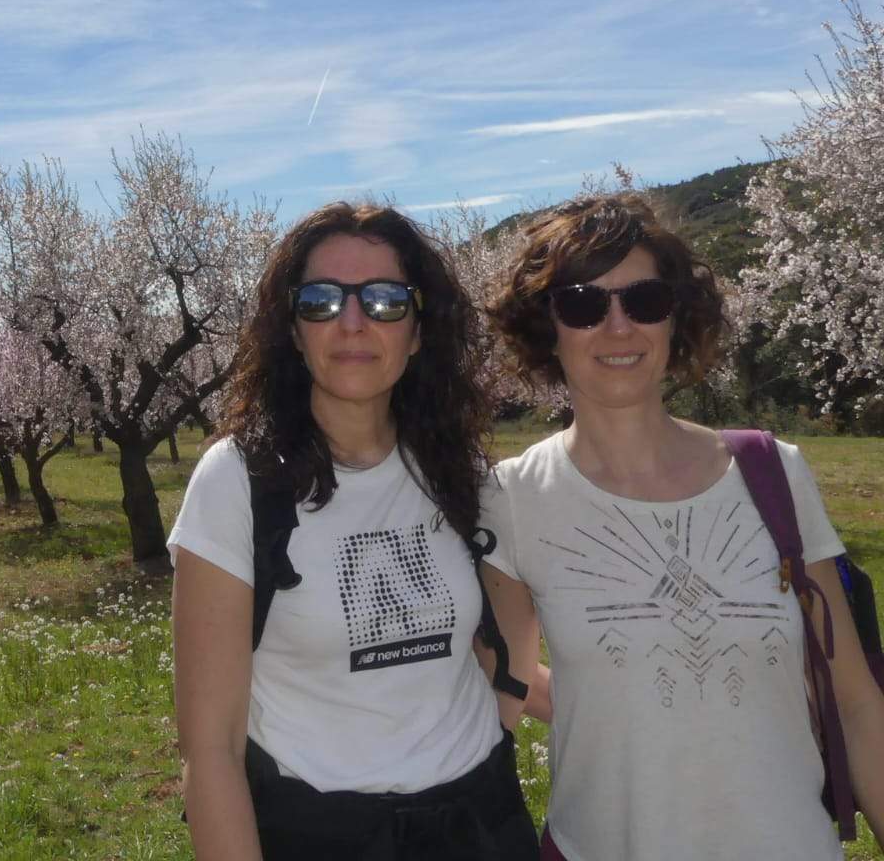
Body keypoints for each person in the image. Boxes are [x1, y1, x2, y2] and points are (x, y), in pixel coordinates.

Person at [481, 193, 884, 860]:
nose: (618, 328)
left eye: (644, 301)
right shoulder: (512, 499)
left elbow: (860, 706)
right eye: (583, 304)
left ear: (676, 317)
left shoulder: (774, 472)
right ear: (547, 328)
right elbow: (505, 689)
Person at [170, 203, 539, 861]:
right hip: (320, 835)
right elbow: (212, 748)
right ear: (292, 327)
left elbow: (504, 643)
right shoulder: (238, 482)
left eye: (385, 301)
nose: (352, 322)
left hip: (479, 828)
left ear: (419, 331)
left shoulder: (466, 475)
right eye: (320, 300)